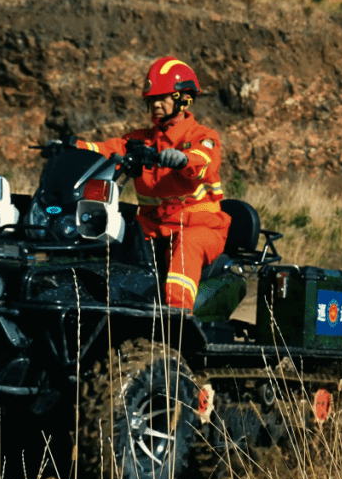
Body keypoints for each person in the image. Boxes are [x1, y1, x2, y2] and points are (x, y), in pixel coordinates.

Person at [70, 56, 230, 310]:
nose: (155, 104)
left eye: (161, 98)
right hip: (153, 227)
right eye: (151, 100)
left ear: (183, 98)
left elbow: (203, 160)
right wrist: (73, 148)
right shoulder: (140, 140)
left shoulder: (202, 136)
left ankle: (176, 319)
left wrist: (182, 159)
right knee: (110, 235)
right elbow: (107, 149)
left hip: (200, 227)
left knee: (187, 245)